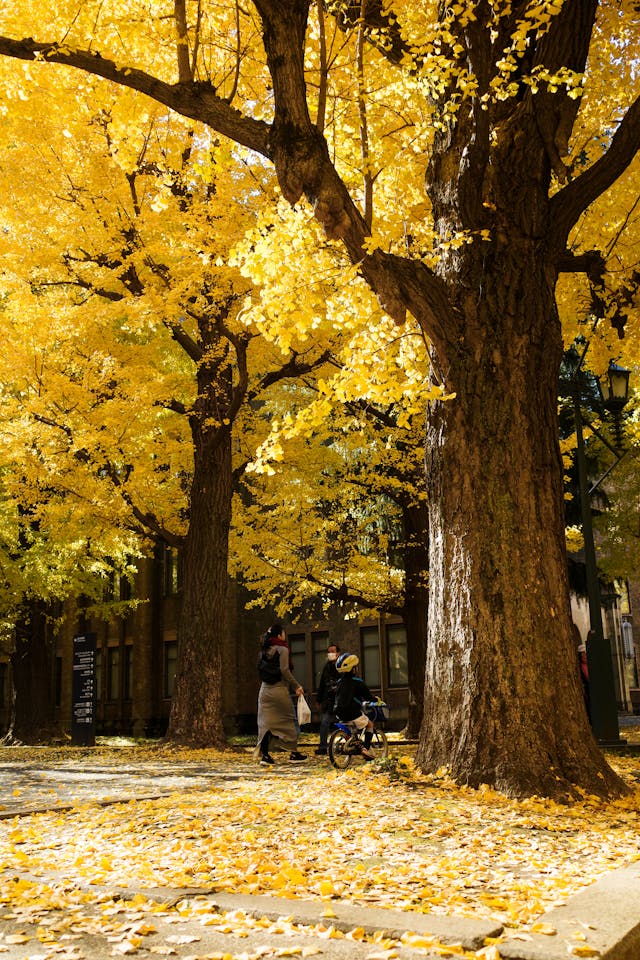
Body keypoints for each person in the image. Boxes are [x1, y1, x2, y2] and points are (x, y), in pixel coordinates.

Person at [254, 624, 307, 765]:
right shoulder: (282, 649)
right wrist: (296, 686)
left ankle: (265, 756)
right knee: (290, 720)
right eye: (283, 632)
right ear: (279, 635)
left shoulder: (263, 651)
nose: (284, 635)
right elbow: (284, 670)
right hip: (279, 689)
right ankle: (294, 753)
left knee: (265, 724)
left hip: (264, 691)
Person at [334, 652, 375, 760]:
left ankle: (354, 743)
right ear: (353, 669)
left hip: (339, 712)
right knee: (370, 724)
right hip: (352, 712)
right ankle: (365, 749)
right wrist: (375, 699)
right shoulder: (358, 682)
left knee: (351, 727)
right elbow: (367, 696)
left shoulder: (339, 682)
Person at [315, 643, 340, 755]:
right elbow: (322, 684)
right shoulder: (327, 667)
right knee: (324, 723)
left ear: (338, 653)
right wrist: (318, 700)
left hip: (339, 699)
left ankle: (345, 744)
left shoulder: (342, 666)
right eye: (329, 652)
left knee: (343, 723)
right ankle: (323, 746)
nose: (330, 654)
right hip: (328, 700)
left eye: (333, 651)